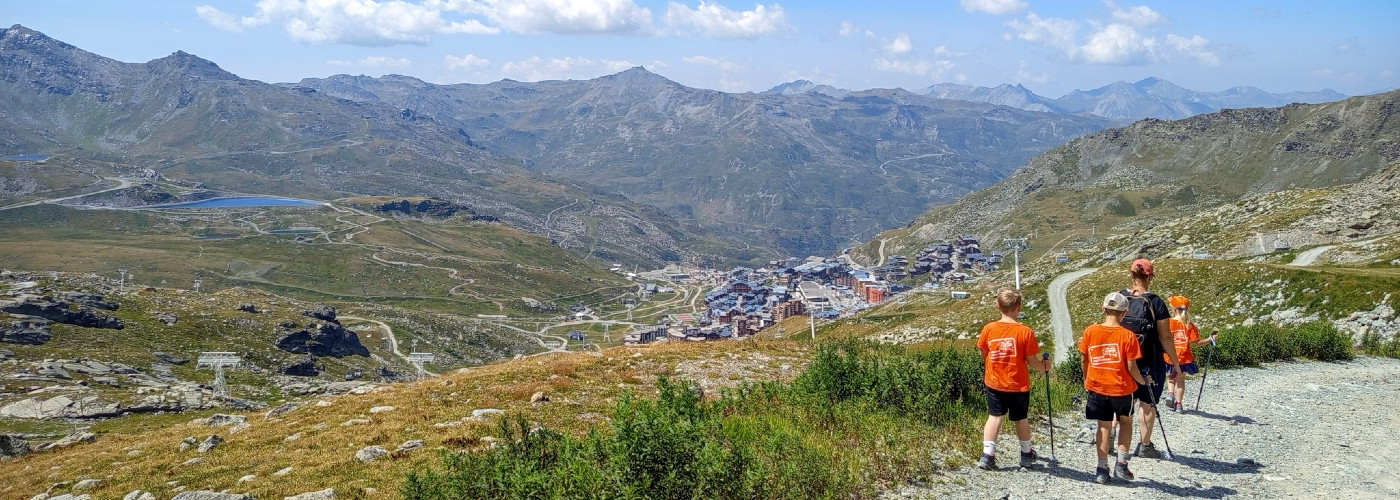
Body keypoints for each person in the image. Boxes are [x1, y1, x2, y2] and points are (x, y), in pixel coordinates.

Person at [976, 288, 1051, 470]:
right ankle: (1026, 453)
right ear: (1019, 307)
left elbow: (983, 352)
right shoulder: (1025, 331)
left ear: (998, 306)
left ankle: (988, 455)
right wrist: (1044, 366)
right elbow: (1031, 360)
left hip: (994, 381)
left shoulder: (989, 328)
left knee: (995, 417)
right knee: (1021, 418)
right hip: (1018, 384)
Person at [1081, 291, 1150, 484]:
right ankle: (1122, 464)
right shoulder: (1128, 336)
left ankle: (1102, 469)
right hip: (1122, 389)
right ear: (1124, 313)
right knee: (1125, 422)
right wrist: (1142, 382)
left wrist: (1087, 379)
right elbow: (1131, 367)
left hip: (1096, 387)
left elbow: (1084, 358)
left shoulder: (1090, 331)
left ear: (1104, 309)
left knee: (1103, 427)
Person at [1119, 258, 1179, 459]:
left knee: (1121, 399)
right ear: (1150, 276)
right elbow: (1165, 336)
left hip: (1123, 358)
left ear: (1132, 274)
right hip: (1150, 359)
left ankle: (1111, 437)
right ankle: (1144, 446)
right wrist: (1175, 362)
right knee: (1148, 401)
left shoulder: (1120, 297)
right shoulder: (1155, 302)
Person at [1163, 295, 1217, 412]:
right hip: (1185, 357)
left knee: (1171, 377)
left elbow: (1163, 338)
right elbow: (1196, 342)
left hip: (1170, 356)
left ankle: (1170, 393)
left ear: (1173, 309)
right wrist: (1210, 339)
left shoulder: (1168, 323)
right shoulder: (1189, 325)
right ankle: (1178, 405)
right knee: (1181, 380)